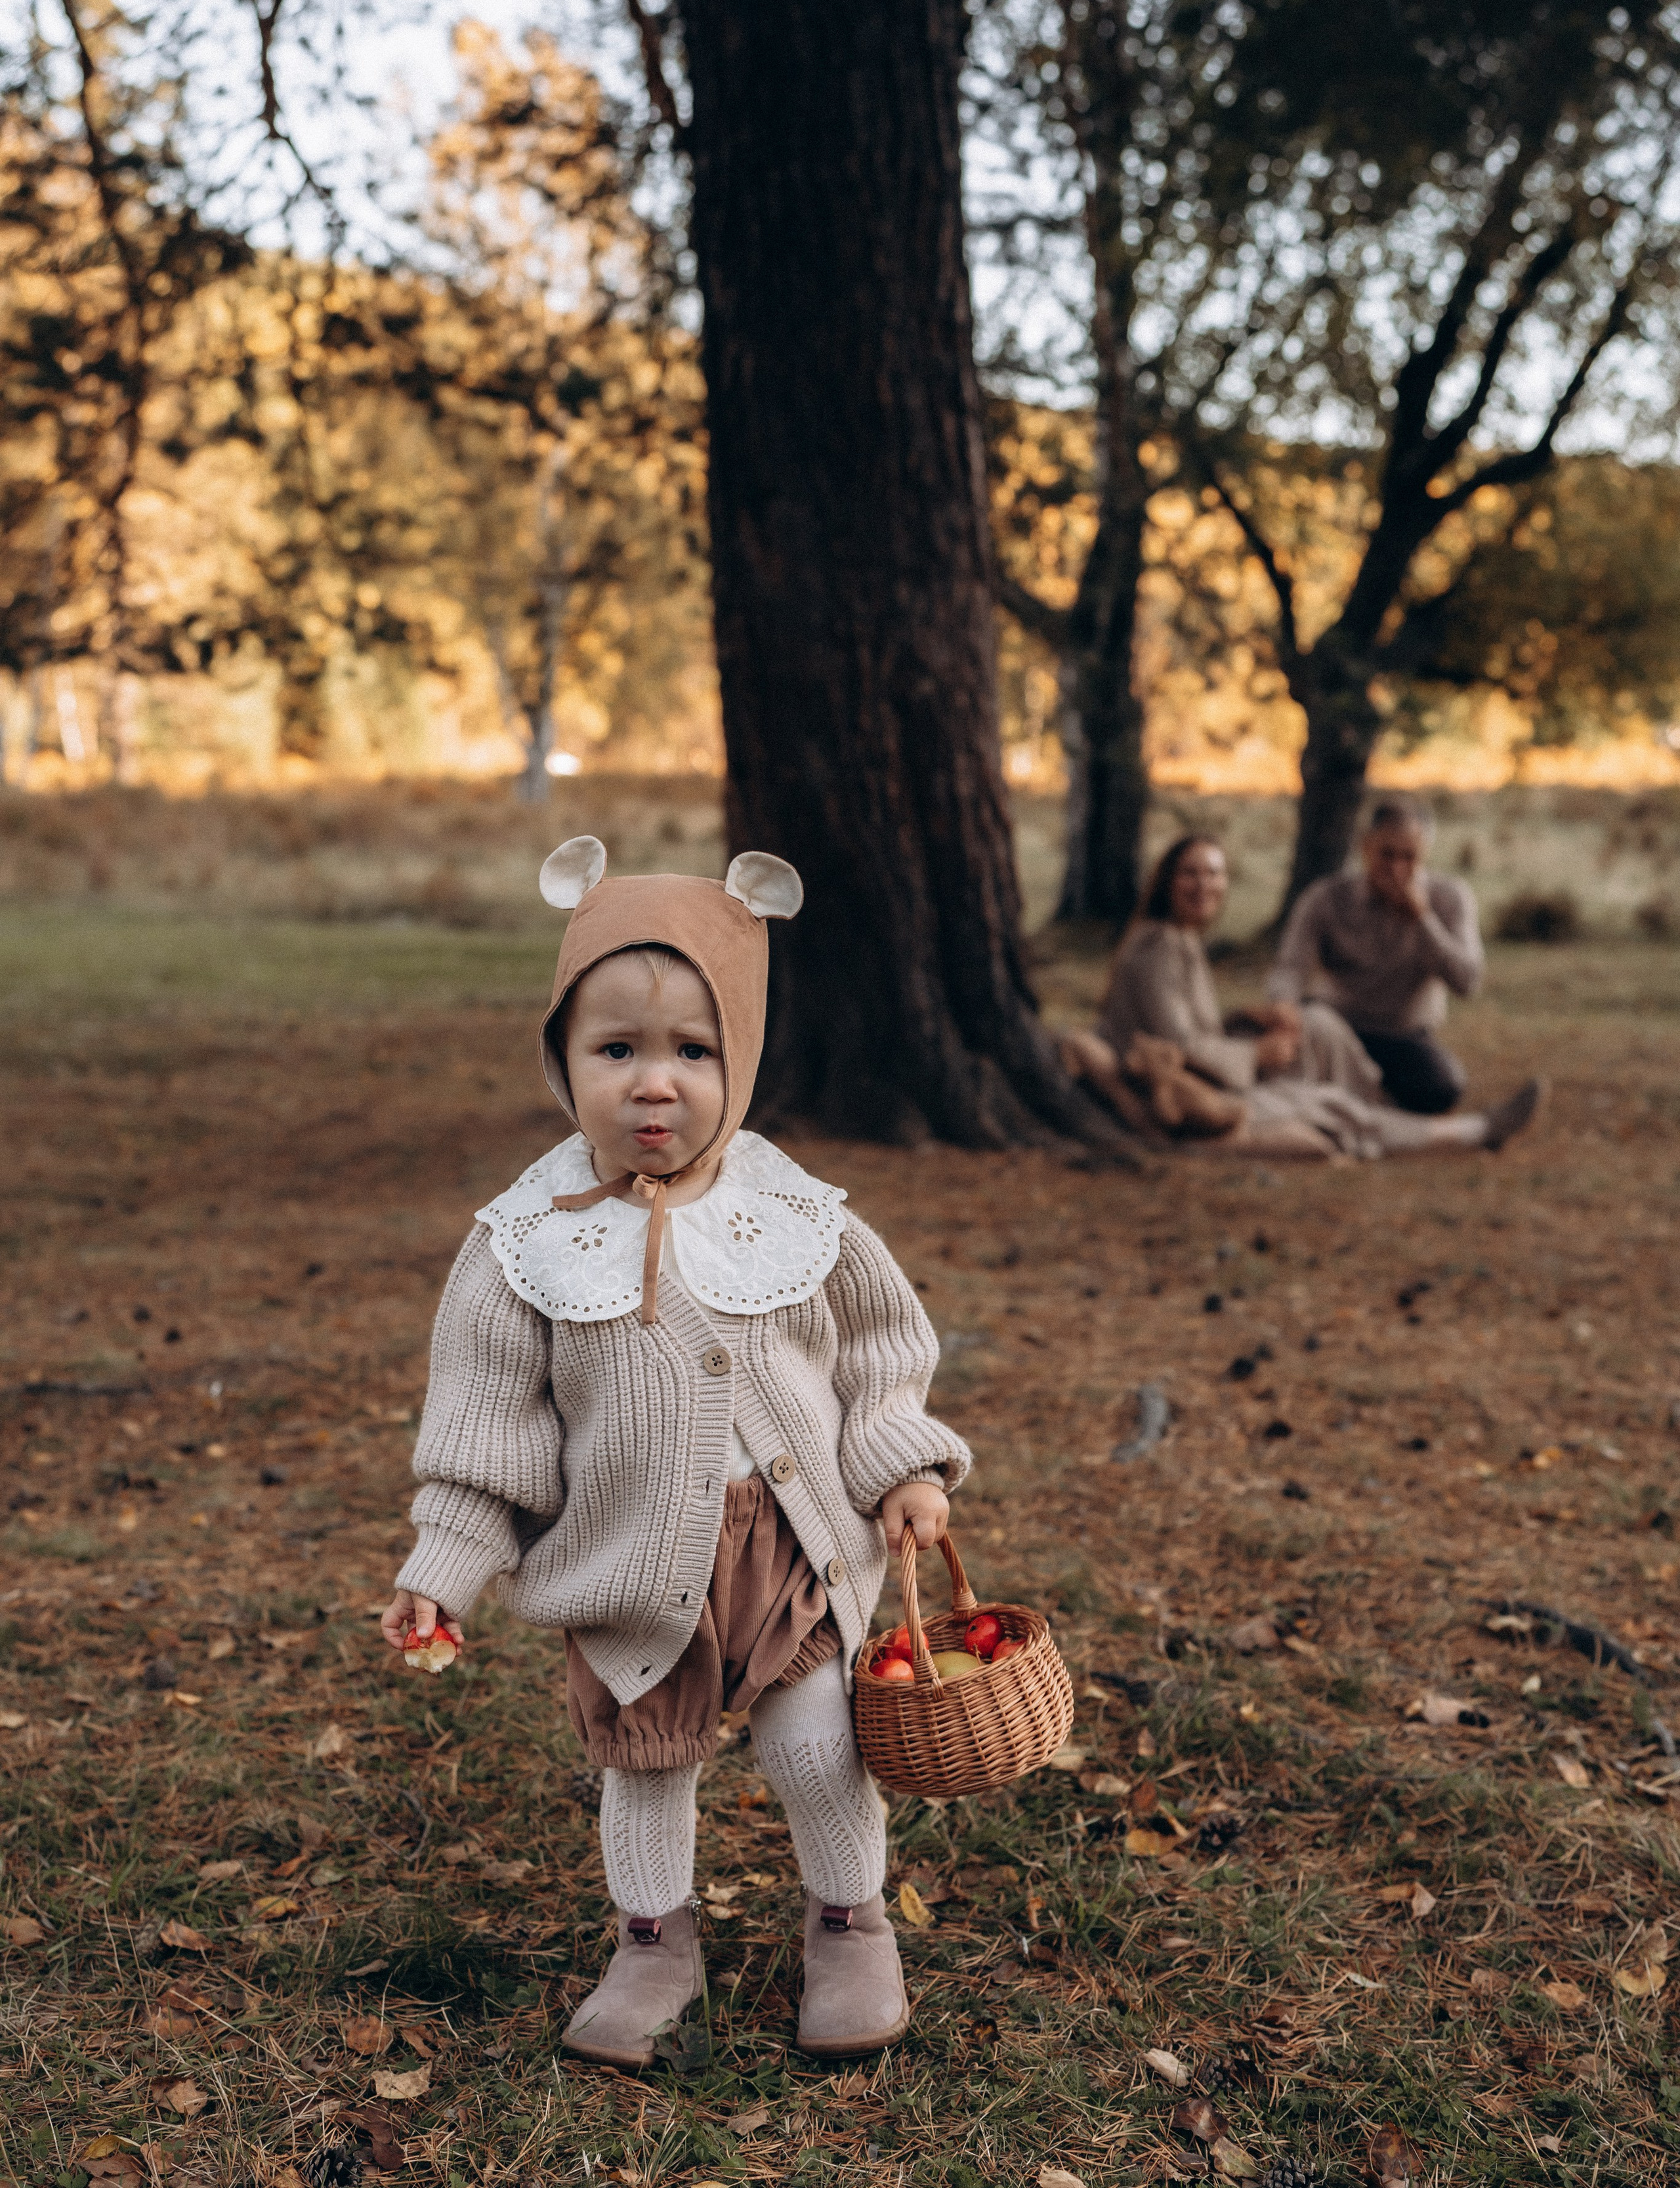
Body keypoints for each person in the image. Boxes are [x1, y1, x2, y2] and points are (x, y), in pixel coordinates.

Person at [380, 836, 967, 2069]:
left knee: (818, 1747)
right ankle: (653, 1940)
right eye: (617, 1051)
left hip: (792, 1549)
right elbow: (490, 1427)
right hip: (636, 1568)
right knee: (647, 1769)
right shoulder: (523, 1241)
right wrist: (447, 1562)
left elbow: (874, 1354)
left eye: (692, 1053)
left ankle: (850, 1921)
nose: (656, 1085)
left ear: (739, 1060)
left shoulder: (796, 1210)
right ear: (564, 1062)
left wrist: (904, 1463)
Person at [1061, 833, 1542, 1160]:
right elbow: (1178, 1044)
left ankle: (1408, 1118)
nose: (1204, 886)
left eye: (1214, 874)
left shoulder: (1178, 939)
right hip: (1188, 1097)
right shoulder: (1158, 945)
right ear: (1166, 880)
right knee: (1328, 1105)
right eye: (1191, 874)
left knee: (1319, 1034)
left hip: (1214, 1079)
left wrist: (1249, 1017)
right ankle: (1474, 1132)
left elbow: (1182, 1024)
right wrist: (1257, 1051)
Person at [1269, 798, 1489, 1114]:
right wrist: (1282, 1006)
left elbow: (1468, 982)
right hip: (1337, 1027)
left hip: (1404, 1035)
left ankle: (1356, 1101)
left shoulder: (1450, 897)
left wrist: (1423, 920)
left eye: (1409, 857)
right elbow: (1290, 968)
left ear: (1425, 852)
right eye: (1387, 854)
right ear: (1365, 846)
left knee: (1442, 1088)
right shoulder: (1327, 897)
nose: (1397, 869)